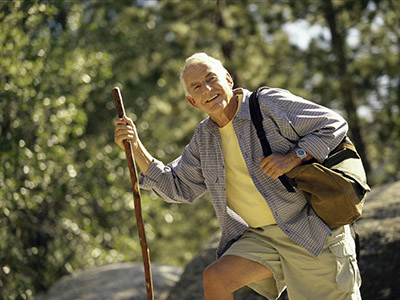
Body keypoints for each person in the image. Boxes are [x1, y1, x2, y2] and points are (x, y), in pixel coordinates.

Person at [114, 53, 361, 300]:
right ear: (192, 102)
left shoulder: (267, 104)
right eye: (197, 87)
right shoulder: (204, 139)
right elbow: (177, 186)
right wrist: (135, 145)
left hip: (308, 229)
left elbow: (333, 124)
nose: (207, 89)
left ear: (229, 80)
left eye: (211, 79)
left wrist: (293, 157)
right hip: (262, 238)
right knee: (217, 278)